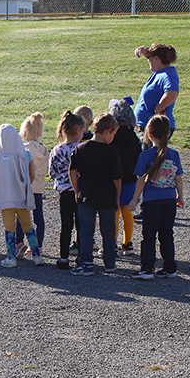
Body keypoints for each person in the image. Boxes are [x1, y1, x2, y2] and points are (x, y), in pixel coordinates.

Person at [128, 115, 184, 280]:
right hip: (169, 199)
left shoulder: (146, 155)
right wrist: (180, 196)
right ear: (168, 133)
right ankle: (170, 267)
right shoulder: (174, 155)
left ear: (149, 134)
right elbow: (178, 178)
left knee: (149, 235)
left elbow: (140, 180)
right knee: (167, 234)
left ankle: (147, 268)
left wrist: (134, 200)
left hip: (152, 201)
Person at [68, 113, 123, 276]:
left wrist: (77, 191)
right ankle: (110, 263)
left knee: (86, 231)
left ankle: (86, 263)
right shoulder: (112, 152)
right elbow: (117, 179)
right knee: (108, 230)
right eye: (114, 134)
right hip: (107, 197)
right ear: (108, 131)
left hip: (86, 196)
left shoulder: (81, 148)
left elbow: (72, 172)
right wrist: (117, 197)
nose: (113, 137)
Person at [0, 123, 45, 268]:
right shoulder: (26, 155)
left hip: (6, 200)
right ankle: (37, 255)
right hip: (22, 198)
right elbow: (31, 175)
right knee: (28, 226)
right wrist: (24, 188)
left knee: (9, 228)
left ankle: (11, 257)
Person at [49, 110, 85, 270]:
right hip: (80, 191)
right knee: (81, 225)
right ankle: (82, 257)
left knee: (66, 225)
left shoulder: (57, 150)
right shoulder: (82, 148)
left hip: (64, 192)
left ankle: (63, 257)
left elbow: (52, 173)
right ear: (78, 130)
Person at [110, 98, 141, 254]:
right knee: (127, 210)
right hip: (130, 178)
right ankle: (128, 242)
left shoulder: (112, 136)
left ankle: (112, 244)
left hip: (114, 178)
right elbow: (138, 157)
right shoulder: (134, 138)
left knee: (114, 210)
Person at [15, 112, 48, 258]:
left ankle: (19, 242)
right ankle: (39, 245)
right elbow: (46, 169)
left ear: (26, 132)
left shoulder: (24, 148)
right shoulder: (45, 150)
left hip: (25, 186)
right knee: (38, 216)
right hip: (39, 187)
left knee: (22, 215)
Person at [133, 43, 179, 138]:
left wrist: (159, 108)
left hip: (157, 128)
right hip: (147, 126)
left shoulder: (167, 75)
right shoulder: (159, 72)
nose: (148, 60)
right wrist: (145, 52)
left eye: (149, 57)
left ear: (157, 58)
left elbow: (172, 93)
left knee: (149, 153)